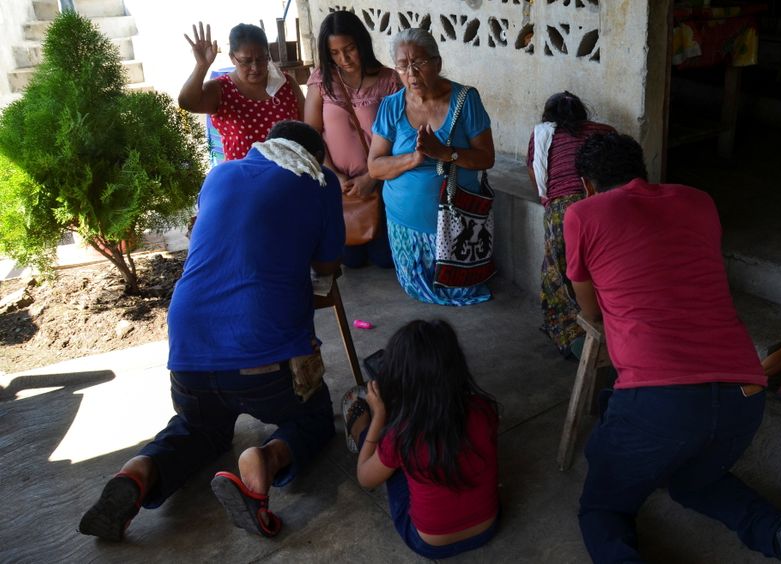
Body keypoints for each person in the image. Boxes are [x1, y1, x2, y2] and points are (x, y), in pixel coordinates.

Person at [78, 121, 345, 541]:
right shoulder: (319, 178)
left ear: (266, 146)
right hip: (268, 366)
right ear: (313, 156)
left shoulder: (220, 173)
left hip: (189, 355)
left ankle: (140, 473)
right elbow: (327, 266)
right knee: (314, 417)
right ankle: (265, 461)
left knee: (197, 430)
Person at [563, 132, 781, 563]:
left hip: (659, 399)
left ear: (587, 185)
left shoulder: (582, 214)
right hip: (745, 391)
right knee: (695, 482)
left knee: (603, 506)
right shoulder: (699, 200)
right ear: (643, 171)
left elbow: (590, 309)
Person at [342, 319, 499, 559]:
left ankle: (361, 428)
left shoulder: (403, 433)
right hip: (487, 528)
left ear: (399, 381)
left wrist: (380, 416)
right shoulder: (483, 410)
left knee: (386, 460)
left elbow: (365, 479)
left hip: (427, 543)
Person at [368, 28, 495, 306]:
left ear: (437, 63)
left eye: (419, 63)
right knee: (417, 288)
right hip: (405, 223)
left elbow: (486, 157)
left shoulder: (465, 99)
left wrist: (444, 153)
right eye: (403, 66)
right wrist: (413, 159)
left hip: (457, 220)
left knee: (462, 289)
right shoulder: (391, 106)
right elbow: (375, 167)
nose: (411, 73)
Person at [305, 10, 399, 269]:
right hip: (340, 188)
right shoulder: (320, 80)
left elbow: (402, 136)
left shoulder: (389, 80)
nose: (343, 59)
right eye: (334, 53)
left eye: (349, 49)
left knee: (385, 260)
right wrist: (334, 174)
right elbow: (312, 135)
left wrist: (372, 177)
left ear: (362, 43)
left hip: (380, 183)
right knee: (352, 260)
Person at [526, 92, 615, 359]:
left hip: (562, 209)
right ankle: (611, 331)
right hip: (604, 205)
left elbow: (535, 175)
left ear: (548, 117)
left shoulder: (542, 135)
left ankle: (571, 336)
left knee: (558, 276)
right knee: (601, 270)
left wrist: (549, 202)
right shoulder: (605, 131)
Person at [178, 22, 304, 161]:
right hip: (244, 180)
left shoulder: (286, 84)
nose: (255, 67)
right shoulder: (221, 90)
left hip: (291, 177)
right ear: (232, 57)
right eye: (246, 61)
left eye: (261, 59)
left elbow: (308, 128)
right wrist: (202, 66)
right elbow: (187, 103)